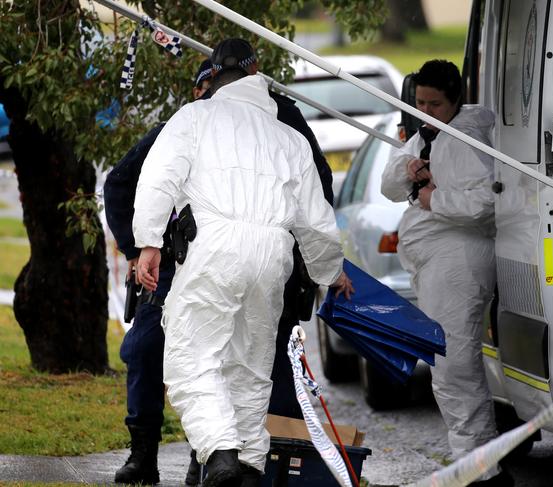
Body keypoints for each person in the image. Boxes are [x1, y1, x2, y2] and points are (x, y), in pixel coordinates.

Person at [132, 39, 353, 487]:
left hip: (216, 246)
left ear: (214, 75)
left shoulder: (195, 118)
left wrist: (148, 242)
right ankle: (250, 466)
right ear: (258, 74)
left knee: (191, 354)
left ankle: (221, 456)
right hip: (273, 254)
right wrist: (332, 271)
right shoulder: (288, 138)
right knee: (251, 365)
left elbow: (158, 179)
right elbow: (315, 218)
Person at [380, 60, 513, 487]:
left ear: (455, 99)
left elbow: (487, 203)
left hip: (458, 262)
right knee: (449, 363)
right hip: (433, 263)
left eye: (434, 104)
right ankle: (475, 463)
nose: (425, 111)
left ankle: (480, 468)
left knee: (452, 366)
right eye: (419, 103)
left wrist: (433, 198)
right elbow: (388, 182)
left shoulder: (469, 139)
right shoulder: (425, 134)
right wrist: (409, 172)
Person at [104, 58, 215, 486]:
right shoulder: (176, 130)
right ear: (196, 92)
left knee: (211, 360)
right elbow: (119, 182)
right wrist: (134, 250)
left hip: (223, 266)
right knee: (145, 350)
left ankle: (201, 456)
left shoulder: (256, 133)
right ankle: (142, 455)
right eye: (205, 89)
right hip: (167, 265)